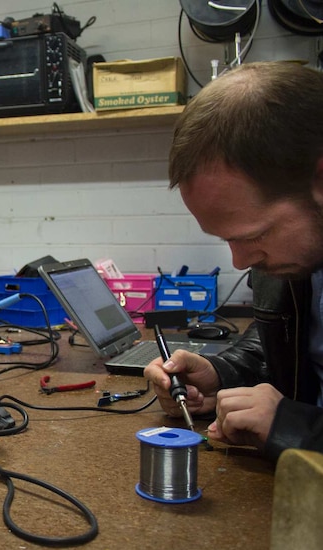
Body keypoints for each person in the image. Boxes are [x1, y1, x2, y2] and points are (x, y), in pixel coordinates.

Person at [143, 61, 323, 460]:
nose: (241, 262)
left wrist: (298, 428)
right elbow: (286, 338)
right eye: (228, 240)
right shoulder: (301, 258)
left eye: (255, 235)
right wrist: (221, 376)